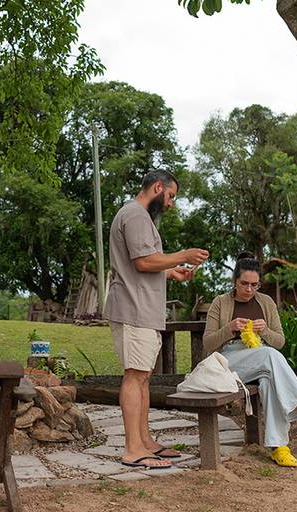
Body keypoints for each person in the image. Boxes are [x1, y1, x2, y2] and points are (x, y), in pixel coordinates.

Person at [103, 170, 209, 469]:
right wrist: (183, 255)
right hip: (133, 310)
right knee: (135, 377)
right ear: (158, 187)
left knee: (143, 378)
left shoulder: (140, 217)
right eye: (171, 196)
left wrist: (171, 271)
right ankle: (132, 449)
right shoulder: (135, 215)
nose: (171, 203)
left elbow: (147, 264)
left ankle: (145, 441)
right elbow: (142, 261)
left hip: (143, 311)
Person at [203, 252, 297, 467]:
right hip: (228, 361)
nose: (249, 289)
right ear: (234, 281)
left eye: (254, 285)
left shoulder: (266, 302)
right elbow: (208, 343)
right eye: (244, 284)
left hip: (261, 358)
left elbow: (279, 341)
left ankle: (278, 447)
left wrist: (264, 331)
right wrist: (229, 329)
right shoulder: (220, 302)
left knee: (268, 380)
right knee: (270, 355)